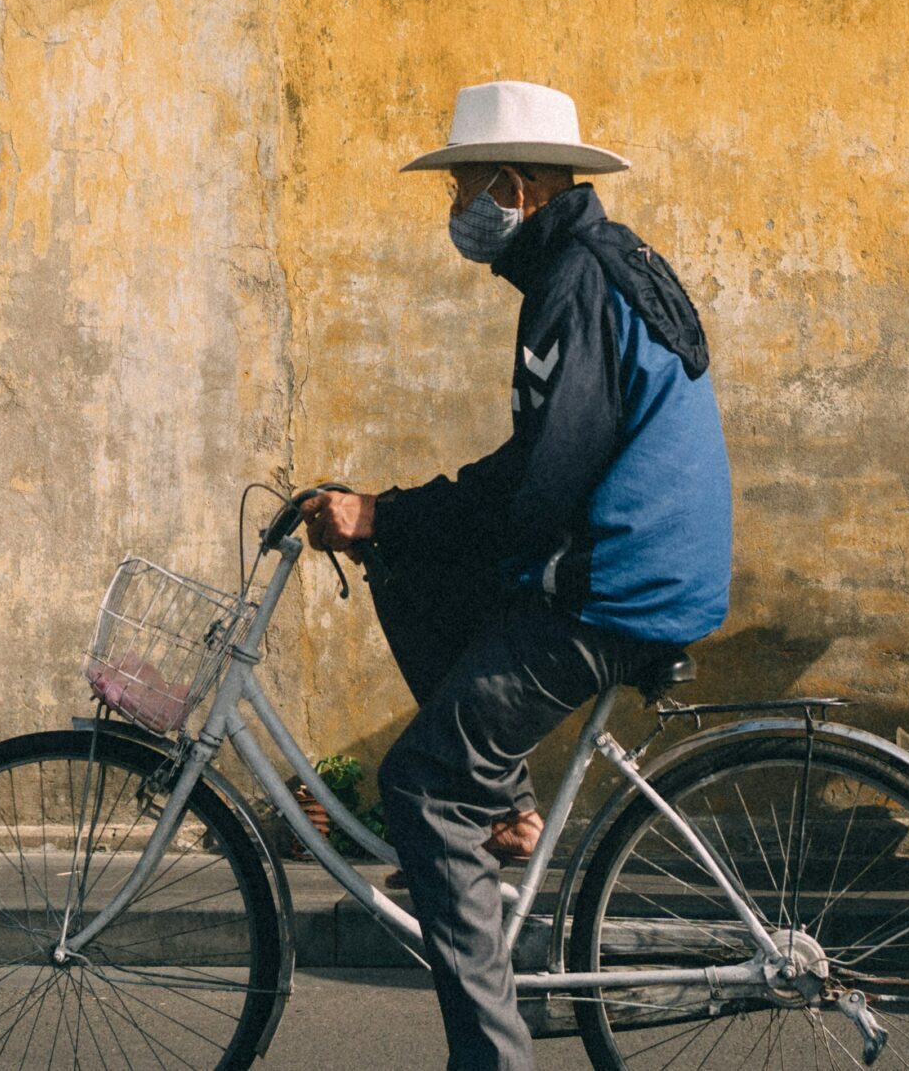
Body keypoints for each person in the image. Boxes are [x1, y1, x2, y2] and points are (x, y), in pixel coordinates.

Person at [301, 80, 734, 1069]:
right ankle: (501, 802)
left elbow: (546, 480)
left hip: (615, 580)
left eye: (469, 185)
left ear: (526, 183)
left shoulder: (576, 282)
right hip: (633, 564)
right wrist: (393, 520)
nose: (460, 208)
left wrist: (393, 514)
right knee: (405, 569)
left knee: (420, 785)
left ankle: (489, 1054)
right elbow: (534, 463)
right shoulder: (583, 265)